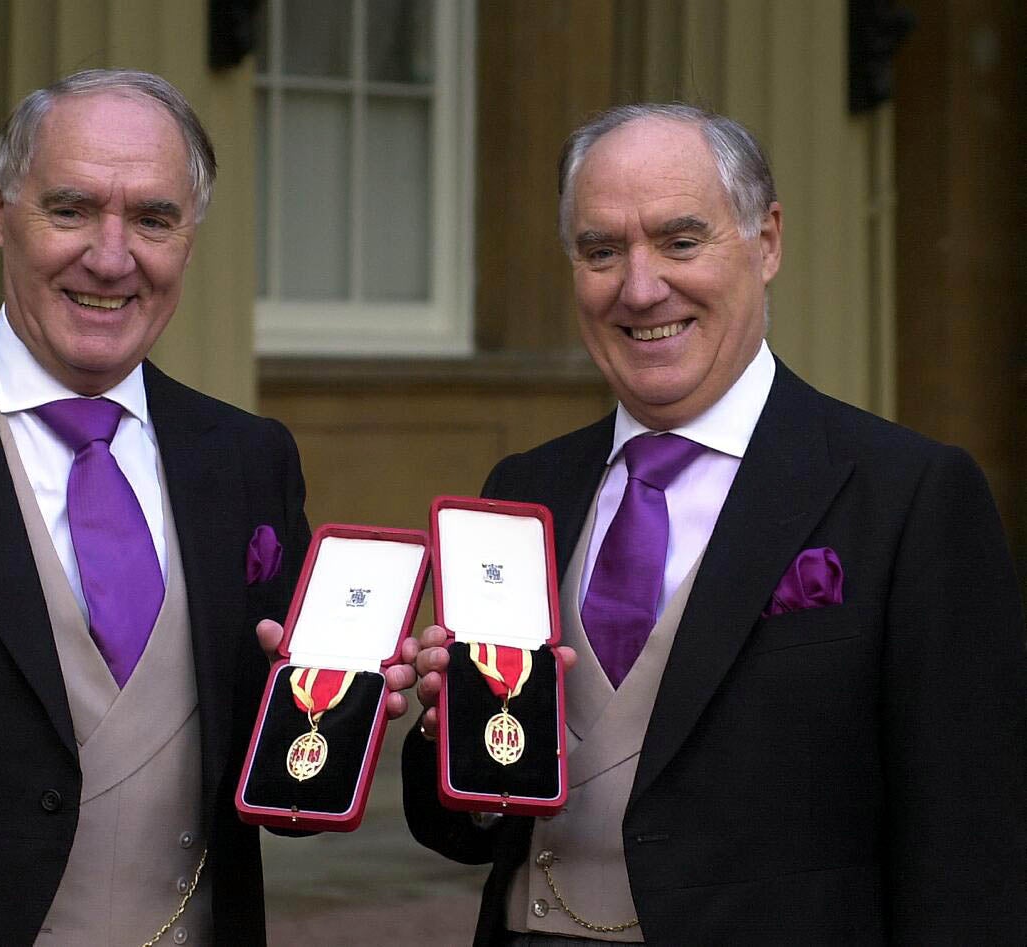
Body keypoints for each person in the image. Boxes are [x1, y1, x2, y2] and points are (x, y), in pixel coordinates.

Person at [0, 68, 411, 945]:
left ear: (190, 238)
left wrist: (353, 709)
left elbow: (276, 779)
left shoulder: (247, 460)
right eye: (71, 209)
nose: (110, 255)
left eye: (153, 219)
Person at [402, 103, 1026, 944]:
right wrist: (452, 739)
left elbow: (969, 848)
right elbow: (464, 827)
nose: (640, 286)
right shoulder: (527, 486)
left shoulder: (908, 495)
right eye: (601, 251)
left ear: (766, 241)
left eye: (680, 241)